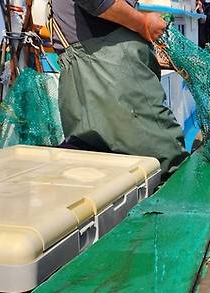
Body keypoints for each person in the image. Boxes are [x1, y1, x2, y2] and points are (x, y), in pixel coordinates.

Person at [51, 0, 187, 177]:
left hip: (92, 72)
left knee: (96, 167)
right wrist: (143, 24)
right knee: (166, 161)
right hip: (111, 70)